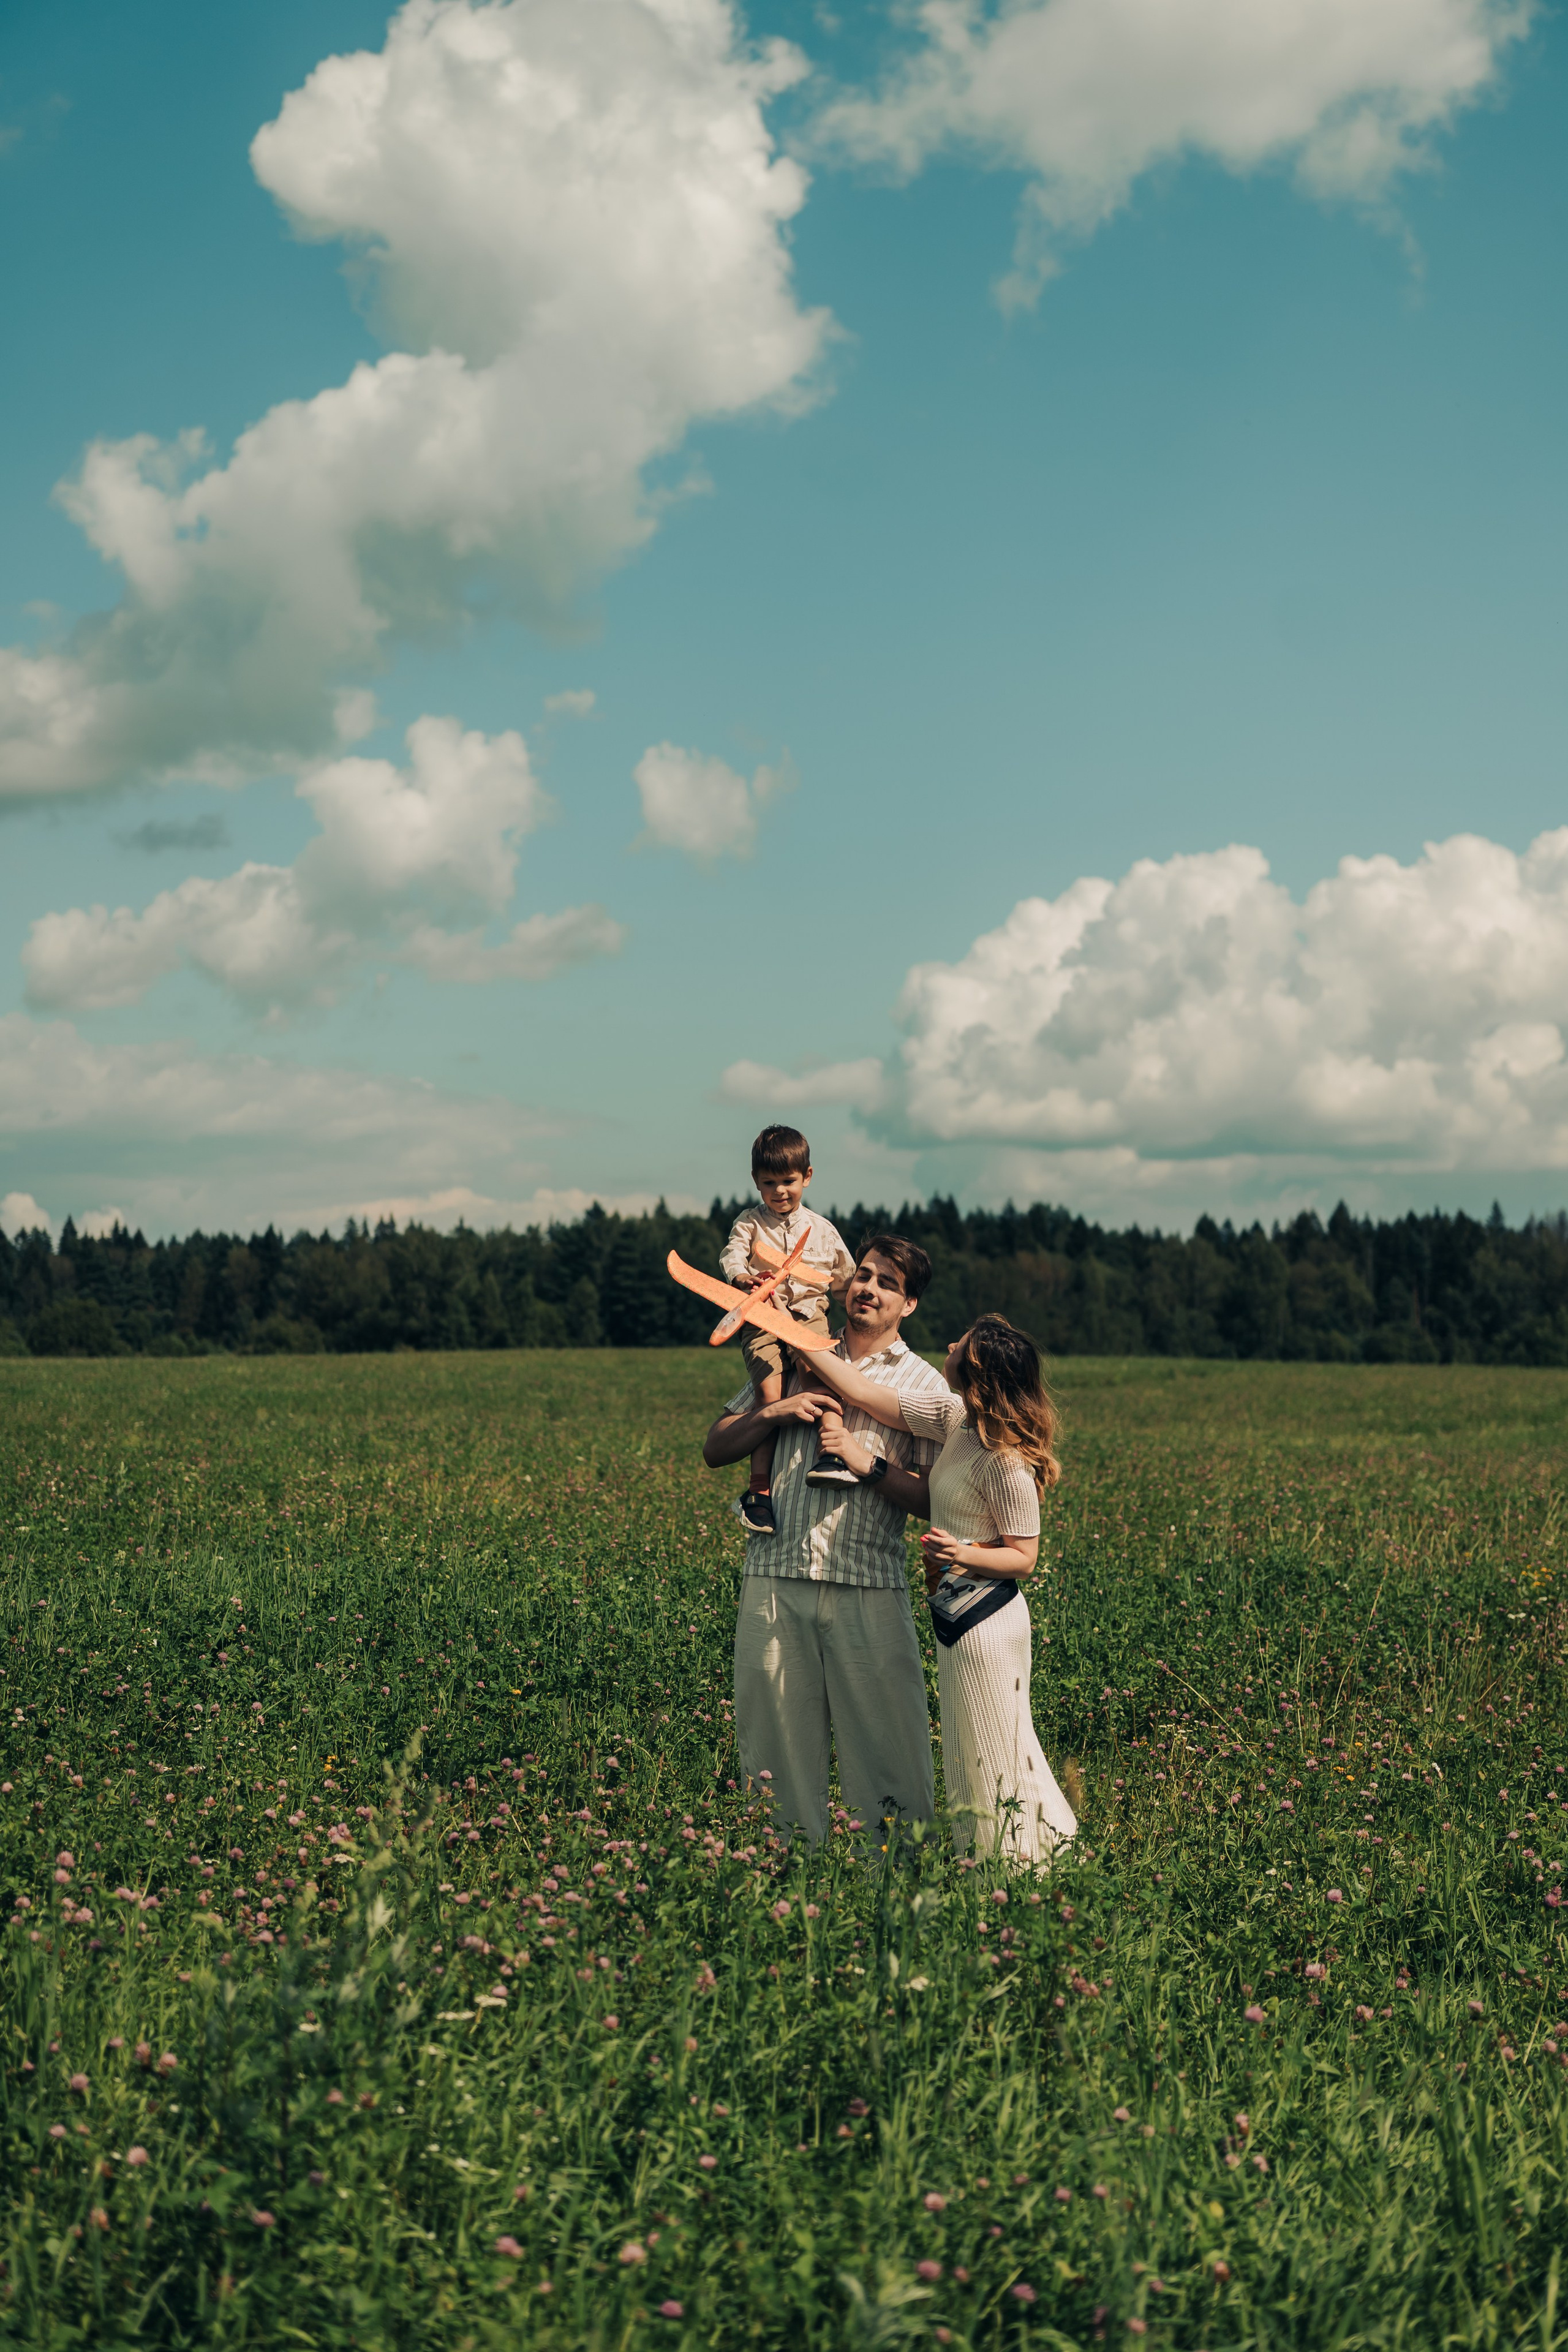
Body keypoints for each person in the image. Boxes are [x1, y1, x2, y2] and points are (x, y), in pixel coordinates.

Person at [702, 1235, 952, 1845]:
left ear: (909, 1305)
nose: (868, 1289)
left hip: (867, 1582)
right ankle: (781, 1877)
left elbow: (933, 1500)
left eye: (887, 1283)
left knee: (891, 1752)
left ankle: (898, 1881)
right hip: (773, 1578)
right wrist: (774, 1413)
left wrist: (869, 1465)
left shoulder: (923, 1383)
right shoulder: (792, 1349)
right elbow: (715, 1447)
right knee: (772, 1755)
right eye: (863, 1275)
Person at [802, 1312, 1077, 1866]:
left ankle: (1030, 1868)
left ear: (975, 1370)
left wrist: (963, 1553)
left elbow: (1024, 1558)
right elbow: (861, 1390)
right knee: (971, 1747)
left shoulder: (1005, 1463)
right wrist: (795, 1334)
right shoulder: (956, 1421)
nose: (948, 1345)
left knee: (997, 1747)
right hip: (956, 1618)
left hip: (988, 1623)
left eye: (960, 1345)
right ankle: (995, 1867)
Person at [719, 1124, 855, 1535]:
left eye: (789, 1181)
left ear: (807, 1177)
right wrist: (742, 1277)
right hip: (761, 1316)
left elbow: (845, 1281)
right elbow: (732, 1255)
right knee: (768, 1398)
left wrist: (859, 1317)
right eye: (769, 1183)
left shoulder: (823, 1230)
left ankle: (831, 1455)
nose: (780, 1191)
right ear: (756, 1182)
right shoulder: (749, 1223)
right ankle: (759, 1492)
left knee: (820, 1381)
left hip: (809, 1315)